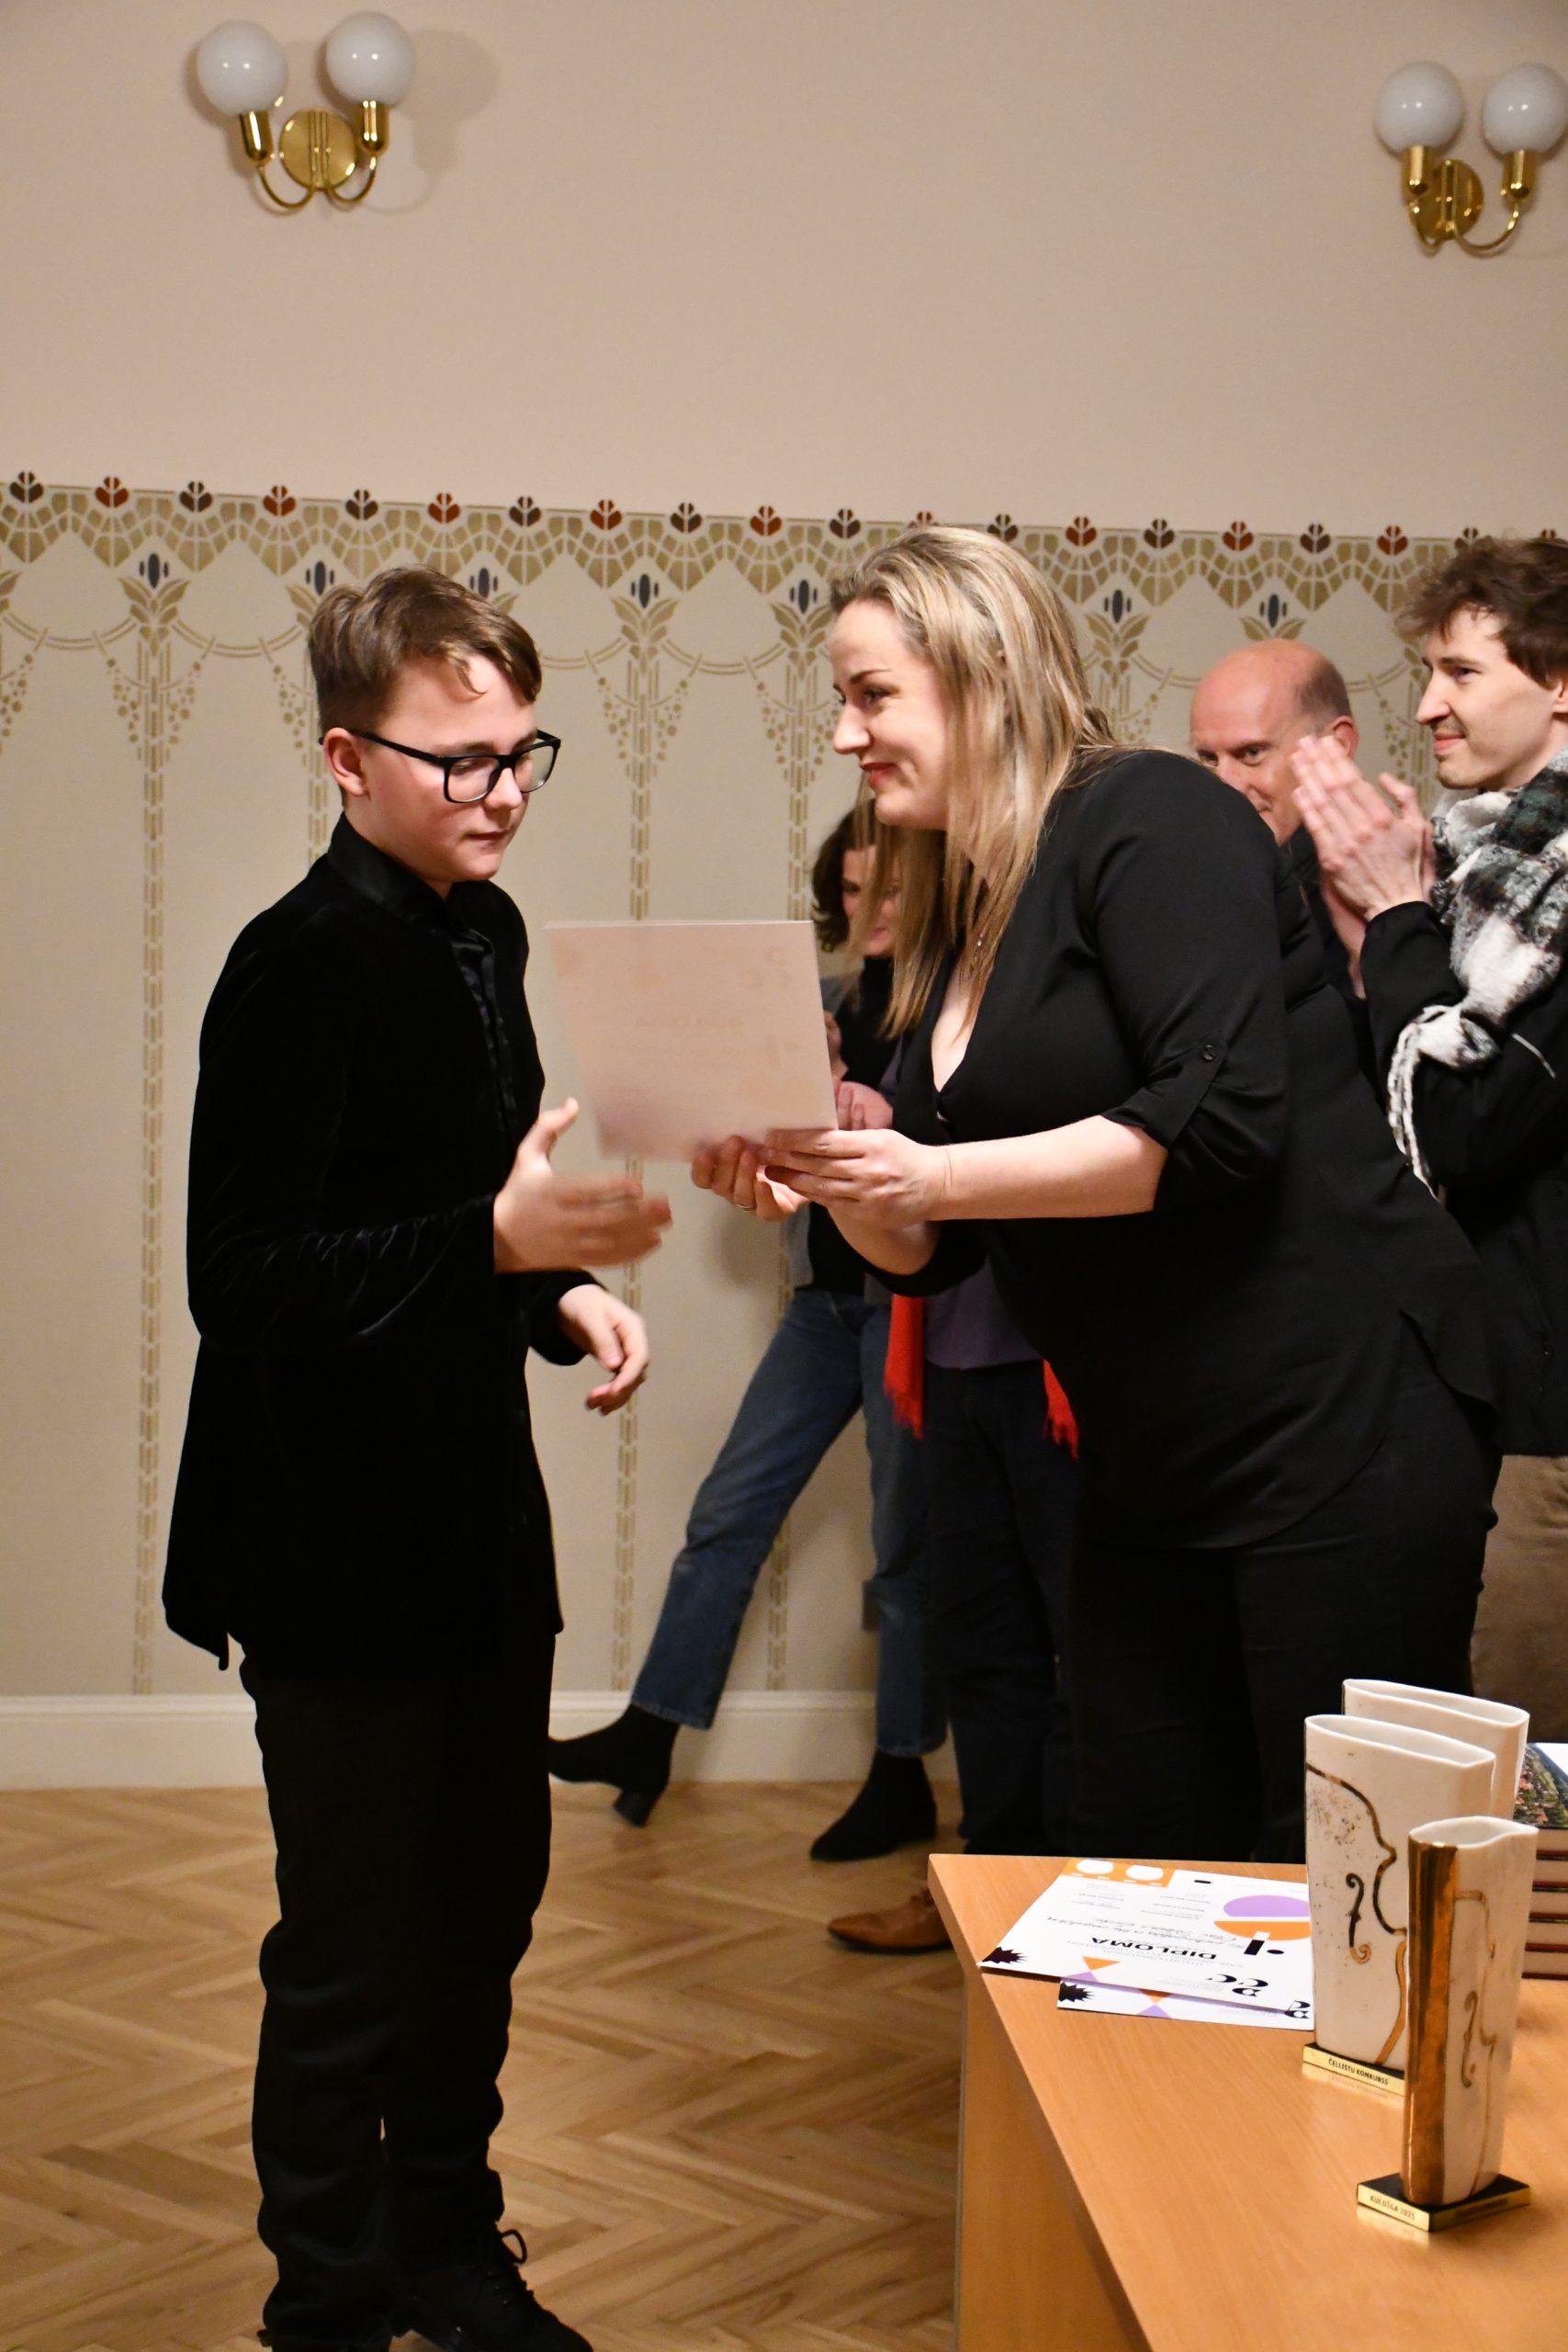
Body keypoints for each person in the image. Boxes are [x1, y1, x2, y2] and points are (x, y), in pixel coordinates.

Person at [695, 524, 1497, 1866]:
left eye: (872, 694)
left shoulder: (1150, 814)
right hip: (1147, 1458)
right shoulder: (971, 897)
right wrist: (834, 1168)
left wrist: (929, 1170)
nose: (845, 734)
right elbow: (932, 1248)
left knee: (1339, 1878)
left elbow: (1220, 1121)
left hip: (1338, 1425)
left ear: (984, 674)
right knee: (1140, 1857)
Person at [163, 567, 671, 2352]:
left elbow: (467, 1211)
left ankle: (449, 2247)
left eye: (522, 751)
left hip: (471, 1527)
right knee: (350, 1953)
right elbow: (244, 1281)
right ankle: (326, 2301)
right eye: (458, 759)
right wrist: (498, 1246)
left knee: (482, 1915)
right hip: (324, 1543)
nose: (500, 789)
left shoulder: (487, 933)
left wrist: (559, 1293)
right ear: (343, 759)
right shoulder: (294, 963)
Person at [547, 809, 944, 1860]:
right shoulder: (816, 1007)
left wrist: (867, 1106)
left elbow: (951, 1160)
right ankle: (649, 1732)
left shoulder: (955, 1009)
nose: (868, 910)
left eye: (890, 889)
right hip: (824, 1305)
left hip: (914, 1309)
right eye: (851, 890)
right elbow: (762, 1160)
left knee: (905, 1548)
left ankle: (901, 1772)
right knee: (728, 1511)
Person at [1292, 535, 1568, 1738]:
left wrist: (1398, 913)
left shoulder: (1541, 888)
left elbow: (1458, 1127)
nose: (1425, 706)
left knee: (1527, 1801)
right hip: (1468, 1397)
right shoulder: (1484, 865)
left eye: (1460, 672)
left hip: (1548, 1435)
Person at [1190, 639, 1360, 996]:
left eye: (1252, 753)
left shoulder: (1377, 896)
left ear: (1336, 746)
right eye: (1208, 758)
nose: (1225, 784)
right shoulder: (1190, 874)